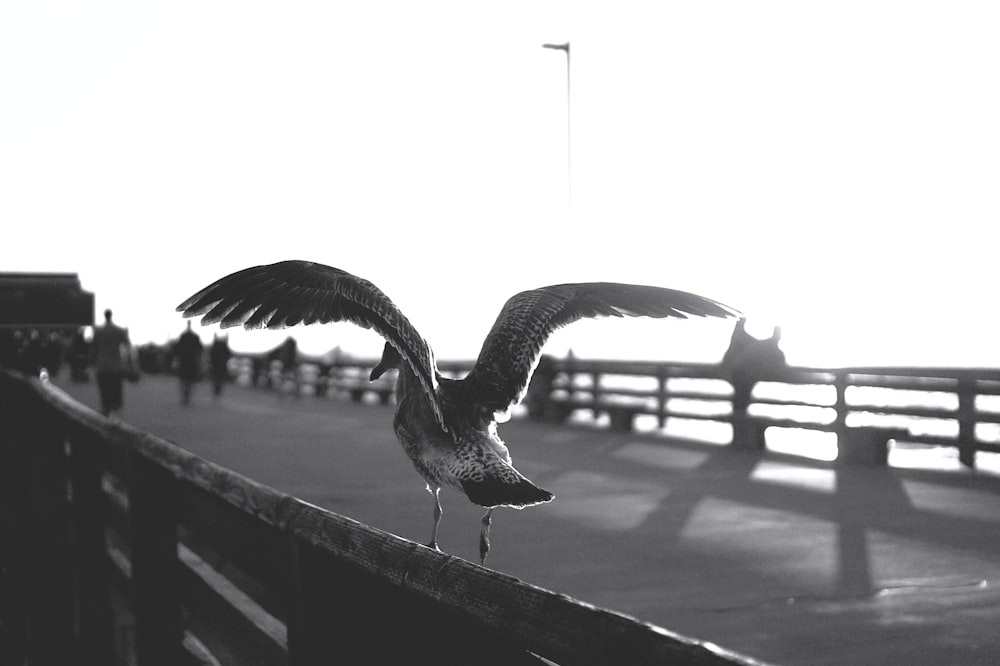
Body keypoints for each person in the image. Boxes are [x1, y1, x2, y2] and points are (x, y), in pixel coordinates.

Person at [91, 309, 133, 417]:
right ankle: (115, 405)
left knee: (104, 388)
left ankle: (106, 407)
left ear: (104, 316)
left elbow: (93, 349)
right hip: (115, 364)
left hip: (102, 364)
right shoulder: (118, 331)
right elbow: (127, 344)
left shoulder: (98, 331)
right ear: (111, 316)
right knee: (115, 387)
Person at [175, 321, 204, 405]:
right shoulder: (195, 337)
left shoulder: (183, 336)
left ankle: (185, 396)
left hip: (184, 361)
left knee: (184, 380)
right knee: (189, 380)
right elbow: (200, 350)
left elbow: (177, 349)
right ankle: (187, 396)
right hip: (191, 362)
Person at [209, 334, 232, 399]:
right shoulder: (224, 347)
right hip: (221, 366)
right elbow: (229, 355)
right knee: (219, 379)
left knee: (216, 379)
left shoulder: (215, 346)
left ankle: (216, 391)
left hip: (216, 366)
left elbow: (211, 356)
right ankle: (217, 391)